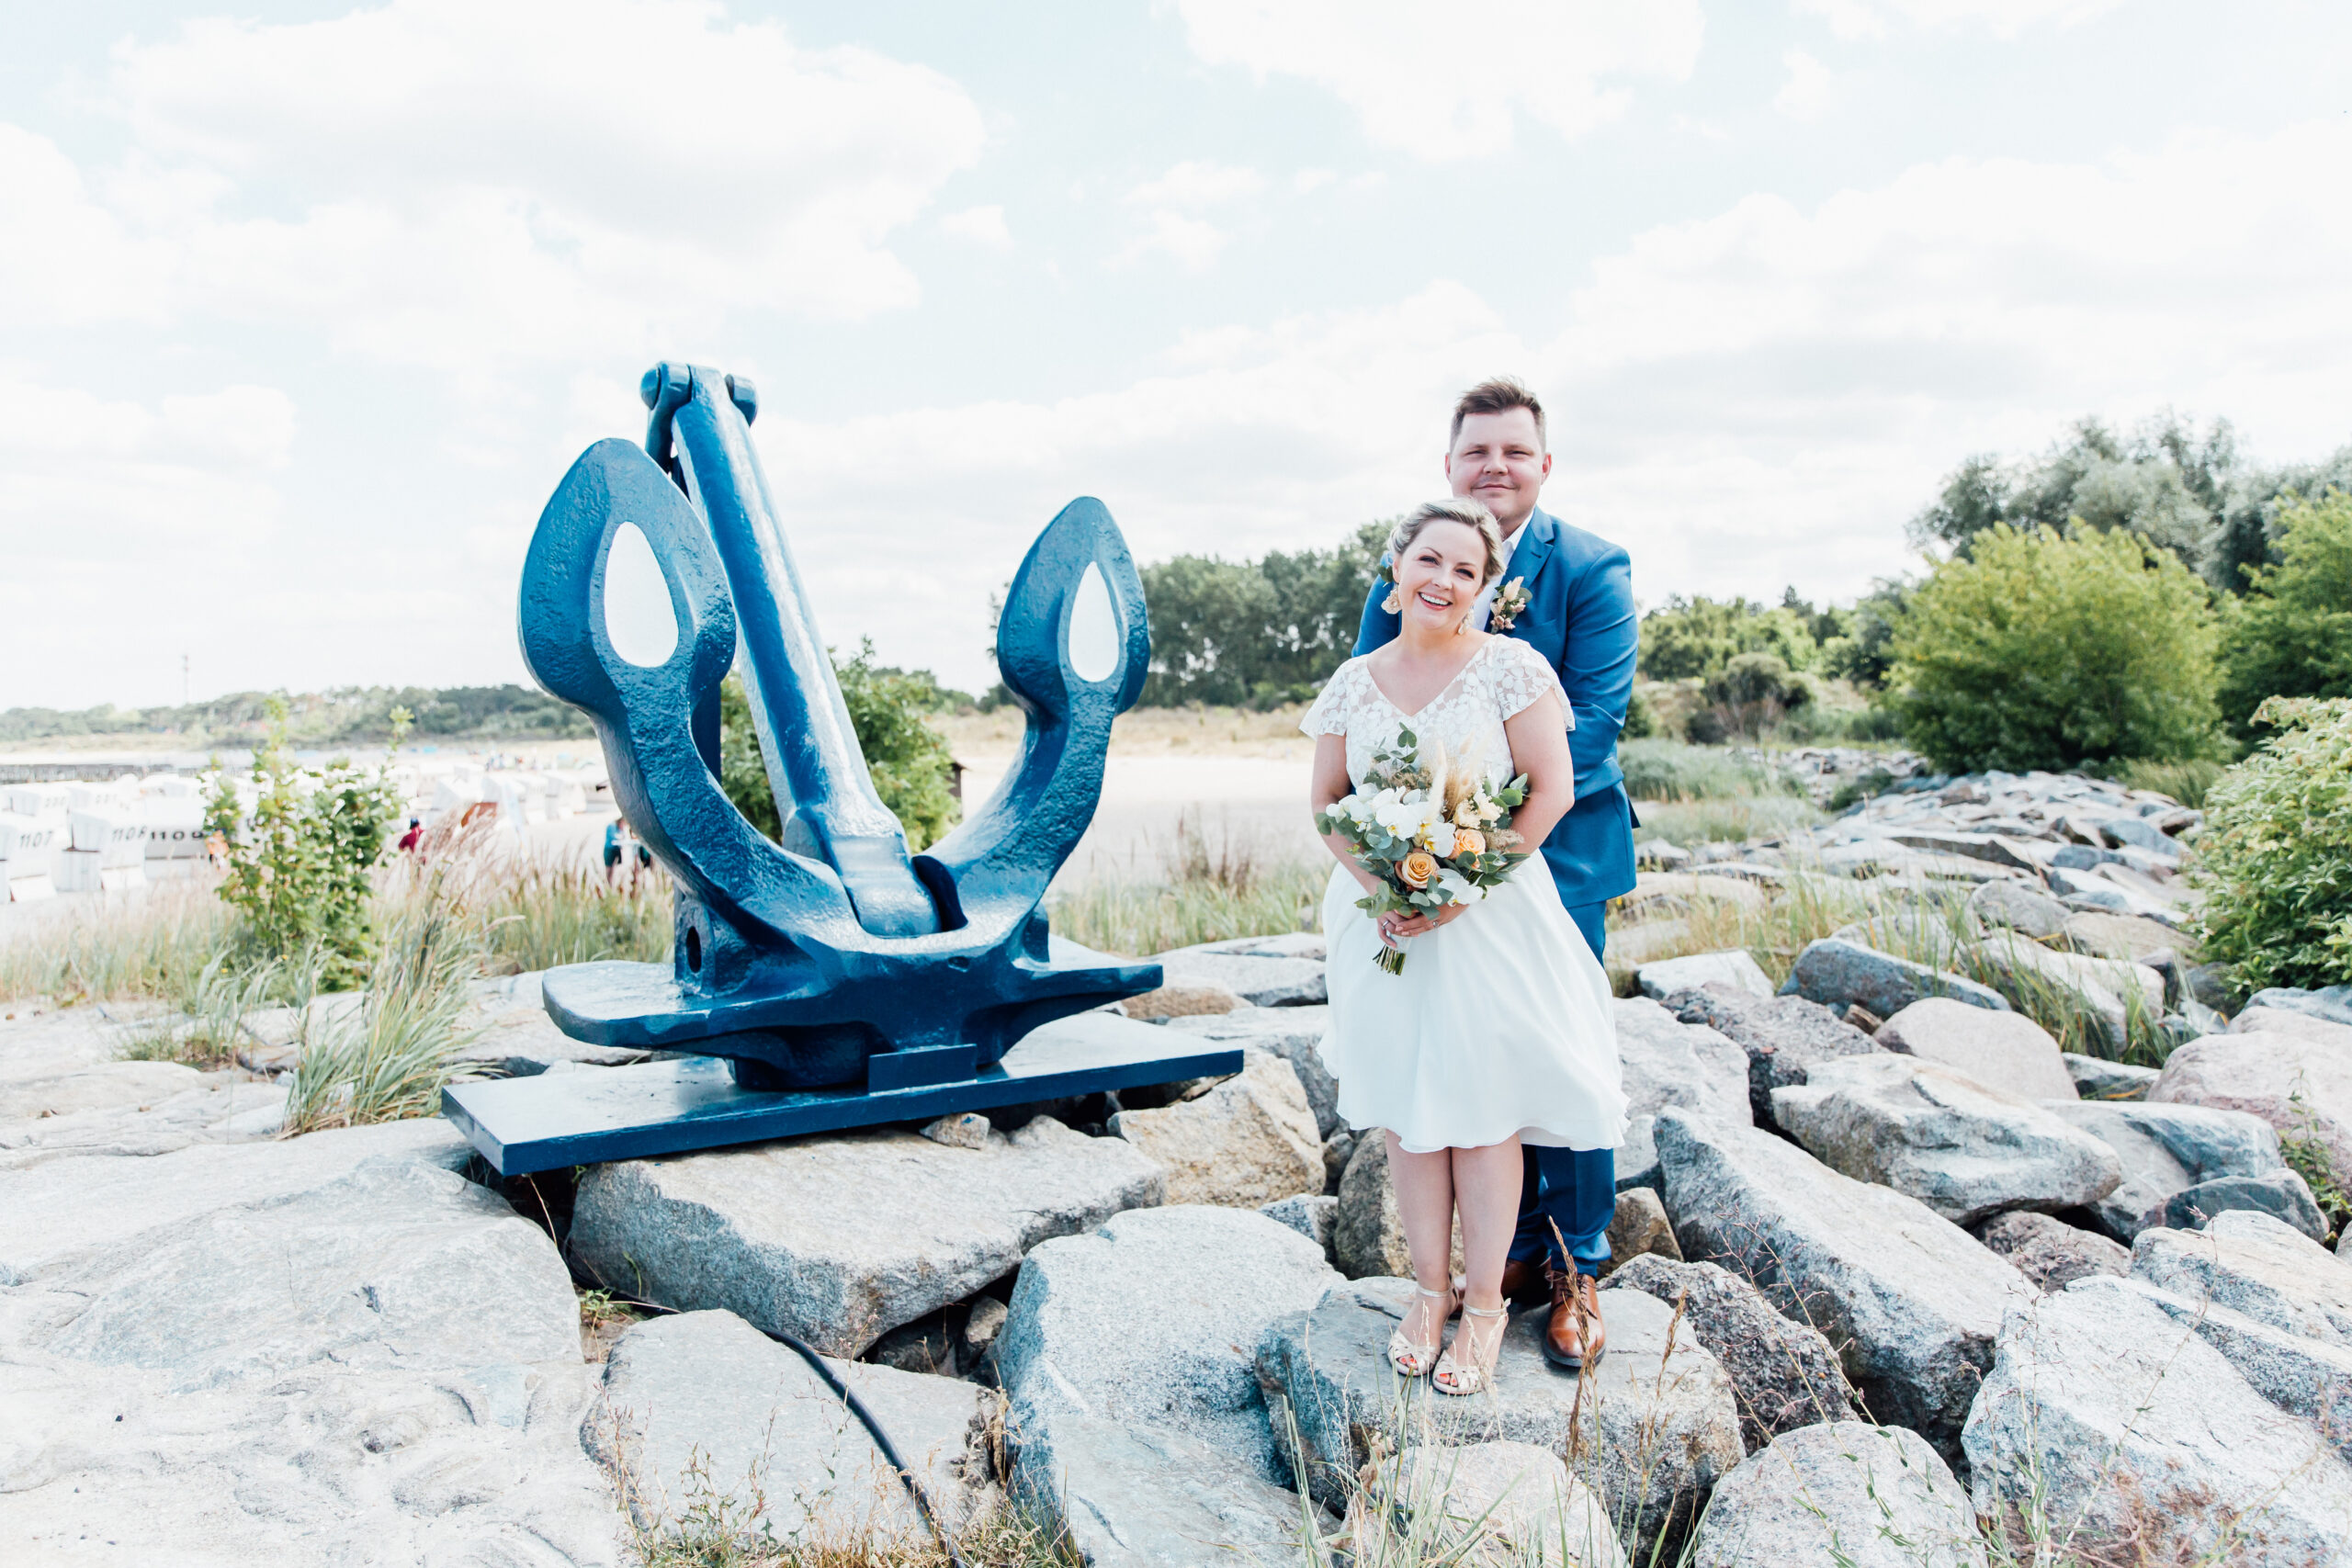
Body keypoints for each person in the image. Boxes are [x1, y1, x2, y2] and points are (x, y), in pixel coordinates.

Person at [1306, 496, 1626, 1394]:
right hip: (1382, 924)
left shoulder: (1510, 670)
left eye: (1466, 571)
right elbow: (1330, 804)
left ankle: (1484, 1306)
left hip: (1488, 919)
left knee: (1484, 1115)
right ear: (1396, 565)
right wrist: (1385, 886)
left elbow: (1549, 794)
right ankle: (1427, 1292)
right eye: (1430, 560)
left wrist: (1454, 891)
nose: (1443, 581)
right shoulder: (1352, 679)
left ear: (1485, 590)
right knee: (1412, 1116)